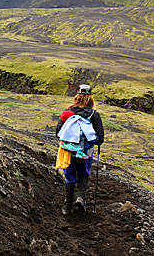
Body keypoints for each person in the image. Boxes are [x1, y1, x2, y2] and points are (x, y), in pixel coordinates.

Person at [55, 84, 104, 215]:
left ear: (76, 97)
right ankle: (80, 198)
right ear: (91, 99)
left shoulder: (67, 113)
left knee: (69, 176)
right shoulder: (94, 115)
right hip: (86, 152)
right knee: (84, 173)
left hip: (68, 151)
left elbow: (58, 132)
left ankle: (67, 206)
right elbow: (100, 138)